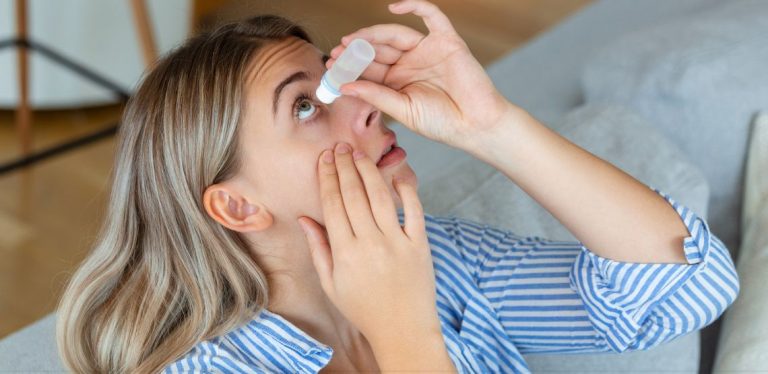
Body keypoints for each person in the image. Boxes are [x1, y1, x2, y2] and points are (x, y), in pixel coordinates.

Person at [55, 0, 740, 372]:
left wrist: (492, 126)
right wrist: (402, 330)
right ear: (236, 204)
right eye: (304, 106)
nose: (365, 104)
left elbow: (686, 287)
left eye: (337, 80)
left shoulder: (442, 265)